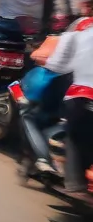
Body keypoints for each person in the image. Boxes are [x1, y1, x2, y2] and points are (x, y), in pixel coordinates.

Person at [37, 18, 93, 200]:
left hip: (84, 96)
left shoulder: (77, 36)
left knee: (74, 136)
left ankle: (76, 186)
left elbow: (57, 65)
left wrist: (41, 61)